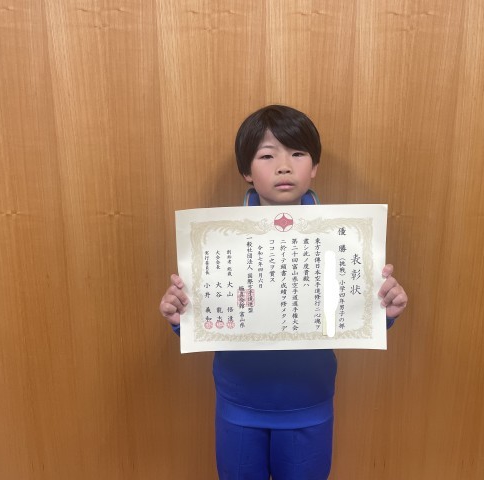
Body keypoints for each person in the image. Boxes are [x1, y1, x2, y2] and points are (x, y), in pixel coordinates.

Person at [160, 105, 408, 479]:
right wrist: (181, 317)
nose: (284, 166)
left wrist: (383, 312)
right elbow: (212, 319)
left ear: (315, 166)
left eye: (297, 153)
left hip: (309, 402)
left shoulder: (341, 239)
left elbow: (346, 318)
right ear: (246, 170)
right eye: (267, 155)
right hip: (238, 402)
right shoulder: (219, 242)